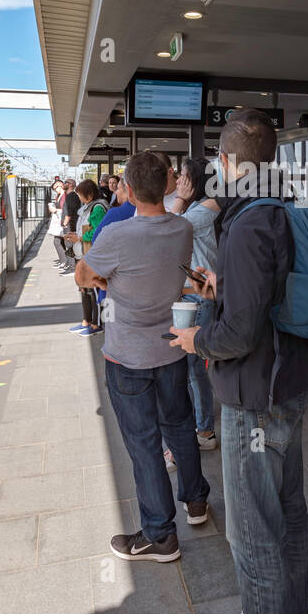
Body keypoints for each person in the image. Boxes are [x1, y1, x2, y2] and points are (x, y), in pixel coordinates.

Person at [169, 108, 308, 614]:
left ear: (228, 161)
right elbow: (269, 292)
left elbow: (240, 333)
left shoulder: (246, 222)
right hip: (290, 380)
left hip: (256, 395)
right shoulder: (279, 209)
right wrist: (225, 284)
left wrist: (196, 340)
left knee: (253, 534)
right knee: (290, 513)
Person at [76, 151, 207, 562]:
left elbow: (82, 274)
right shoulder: (183, 228)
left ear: (128, 191)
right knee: (181, 427)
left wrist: (109, 281)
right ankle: (197, 501)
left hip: (126, 356)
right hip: (171, 347)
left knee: (144, 443)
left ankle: (160, 535)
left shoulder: (117, 237)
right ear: (167, 184)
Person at [173, 157, 221, 449]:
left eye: (182, 176)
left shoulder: (201, 212)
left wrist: (179, 200)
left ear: (194, 181)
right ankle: (200, 423)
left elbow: (165, 233)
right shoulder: (206, 206)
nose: (178, 181)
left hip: (198, 295)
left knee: (194, 367)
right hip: (196, 293)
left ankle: (204, 430)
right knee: (194, 366)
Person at [66, 180, 107, 338]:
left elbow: (98, 231)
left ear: (89, 195)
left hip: (93, 254)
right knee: (84, 289)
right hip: (84, 253)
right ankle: (87, 321)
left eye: (81, 195)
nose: (80, 198)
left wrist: (80, 237)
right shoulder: (90, 207)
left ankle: (96, 323)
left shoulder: (98, 208)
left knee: (93, 290)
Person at [59, 178, 80, 275]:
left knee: (69, 245)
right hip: (70, 224)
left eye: (66, 182)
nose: (63, 184)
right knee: (69, 245)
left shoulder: (71, 196)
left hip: (70, 225)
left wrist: (65, 223)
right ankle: (71, 266)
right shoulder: (70, 195)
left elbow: (69, 211)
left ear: (71, 184)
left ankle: (72, 268)